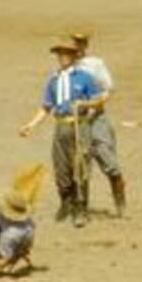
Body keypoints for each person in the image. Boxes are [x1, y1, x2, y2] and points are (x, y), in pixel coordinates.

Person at [19, 40, 104, 228]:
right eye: (60, 54)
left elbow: (98, 100)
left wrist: (84, 105)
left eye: (67, 54)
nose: (63, 57)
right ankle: (66, 203)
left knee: (80, 167)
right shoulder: (54, 80)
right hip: (61, 127)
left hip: (79, 126)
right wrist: (30, 125)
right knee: (61, 169)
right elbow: (46, 107)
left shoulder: (84, 78)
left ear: (74, 56)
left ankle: (81, 208)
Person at [71, 32, 126, 218]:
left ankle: (121, 206)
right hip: (77, 122)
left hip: (96, 119)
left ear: (85, 45)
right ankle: (82, 209)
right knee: (81, 167)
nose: (77, 47)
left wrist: (94, 106)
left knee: (110, 163)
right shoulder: (66, 69)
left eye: (80, 43)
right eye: (74, 43)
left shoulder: (95, 64)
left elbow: (108, 90)